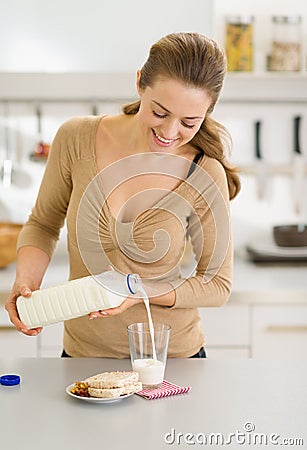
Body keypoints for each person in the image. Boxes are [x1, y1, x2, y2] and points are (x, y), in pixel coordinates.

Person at [5, 32, 240, 358]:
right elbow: (44, 223)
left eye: (189, 122)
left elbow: (217, 286)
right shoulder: (76, 138)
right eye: (159, 113)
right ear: (140, 82)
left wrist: (138, 292)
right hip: (83, 357)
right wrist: (26, 282)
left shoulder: (204, 172)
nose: (170, 132)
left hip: (171, 360)